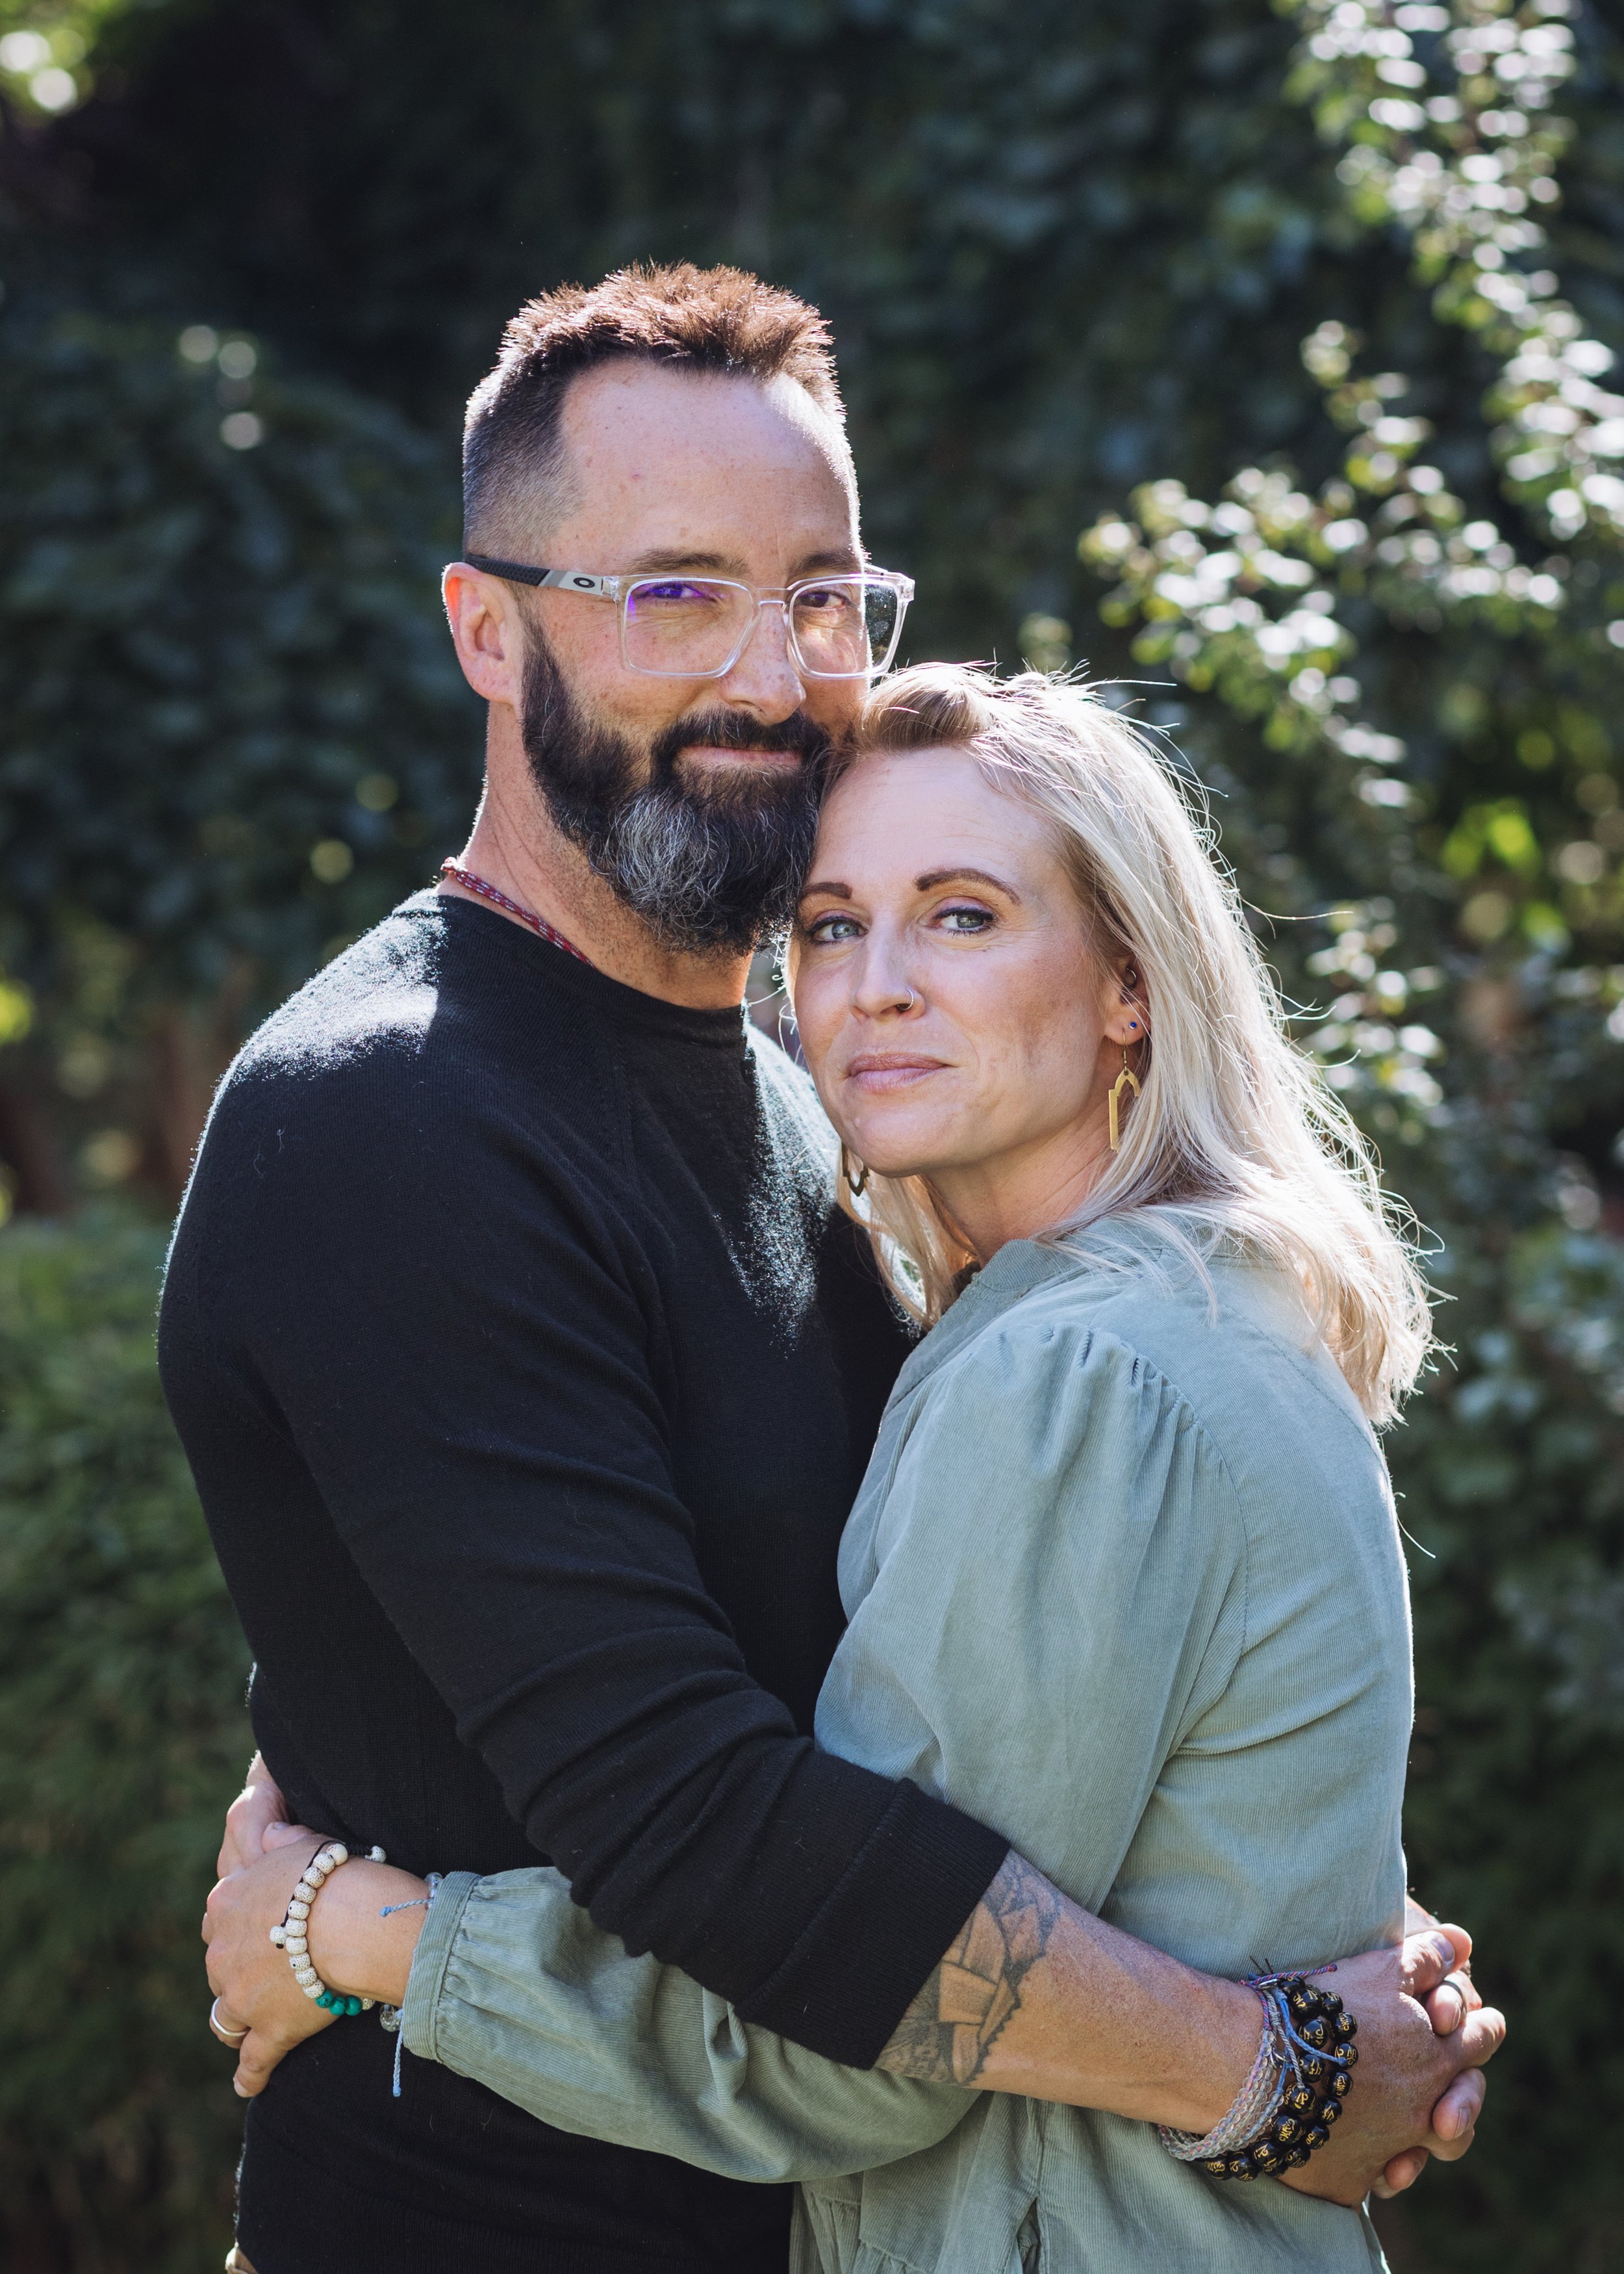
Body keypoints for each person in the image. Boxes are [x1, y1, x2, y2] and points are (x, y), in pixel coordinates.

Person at [173, 267, 1495, 2274]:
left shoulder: (817, 1102)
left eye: (818, 594)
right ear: (485, 625)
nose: (770, 671)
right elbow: (718, 1829)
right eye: (673, 593)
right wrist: (1266, 2058)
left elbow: (971, 1707)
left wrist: (1288, 1902)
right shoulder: (385, 1117)